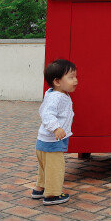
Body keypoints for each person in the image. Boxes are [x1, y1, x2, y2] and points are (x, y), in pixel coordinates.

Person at [31, 59, 77, 205]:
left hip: (43, 141)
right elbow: (47, 114)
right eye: (71, 77)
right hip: (52, 141)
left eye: (76, 77)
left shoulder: (53, 94)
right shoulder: (57, 97)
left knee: (45, 167)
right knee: (55, 168)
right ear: (57, 81)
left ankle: (39, 188)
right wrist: (56, 128)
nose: (75, 81)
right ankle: (52, 195)